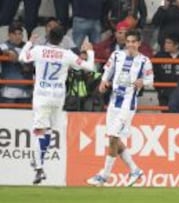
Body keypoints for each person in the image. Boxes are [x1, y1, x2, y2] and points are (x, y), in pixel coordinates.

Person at [18, 26, 95, 184]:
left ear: (48, 36)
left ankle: (39, 169)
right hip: (58, 97)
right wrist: (90, 52)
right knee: (47, 131)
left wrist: (29, 43)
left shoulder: (39, 50)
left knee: (39, 130)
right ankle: (40, 159)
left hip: (41, 96)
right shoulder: (67, 54)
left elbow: (22, 58)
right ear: (62, 39)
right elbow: (89, 67)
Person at [87, 29, 154, 187]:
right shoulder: (116, 55)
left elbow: (150, 79)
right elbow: (107, 70)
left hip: (128, 104)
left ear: (139, 43)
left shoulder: (145, 61)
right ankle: (135, 170)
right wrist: (104, 82)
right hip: (114, 102)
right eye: (128, 41)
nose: (130, 44)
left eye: (133, 42)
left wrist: (142, 82)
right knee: (114, 139)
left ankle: (104, 175)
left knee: (113, 138)